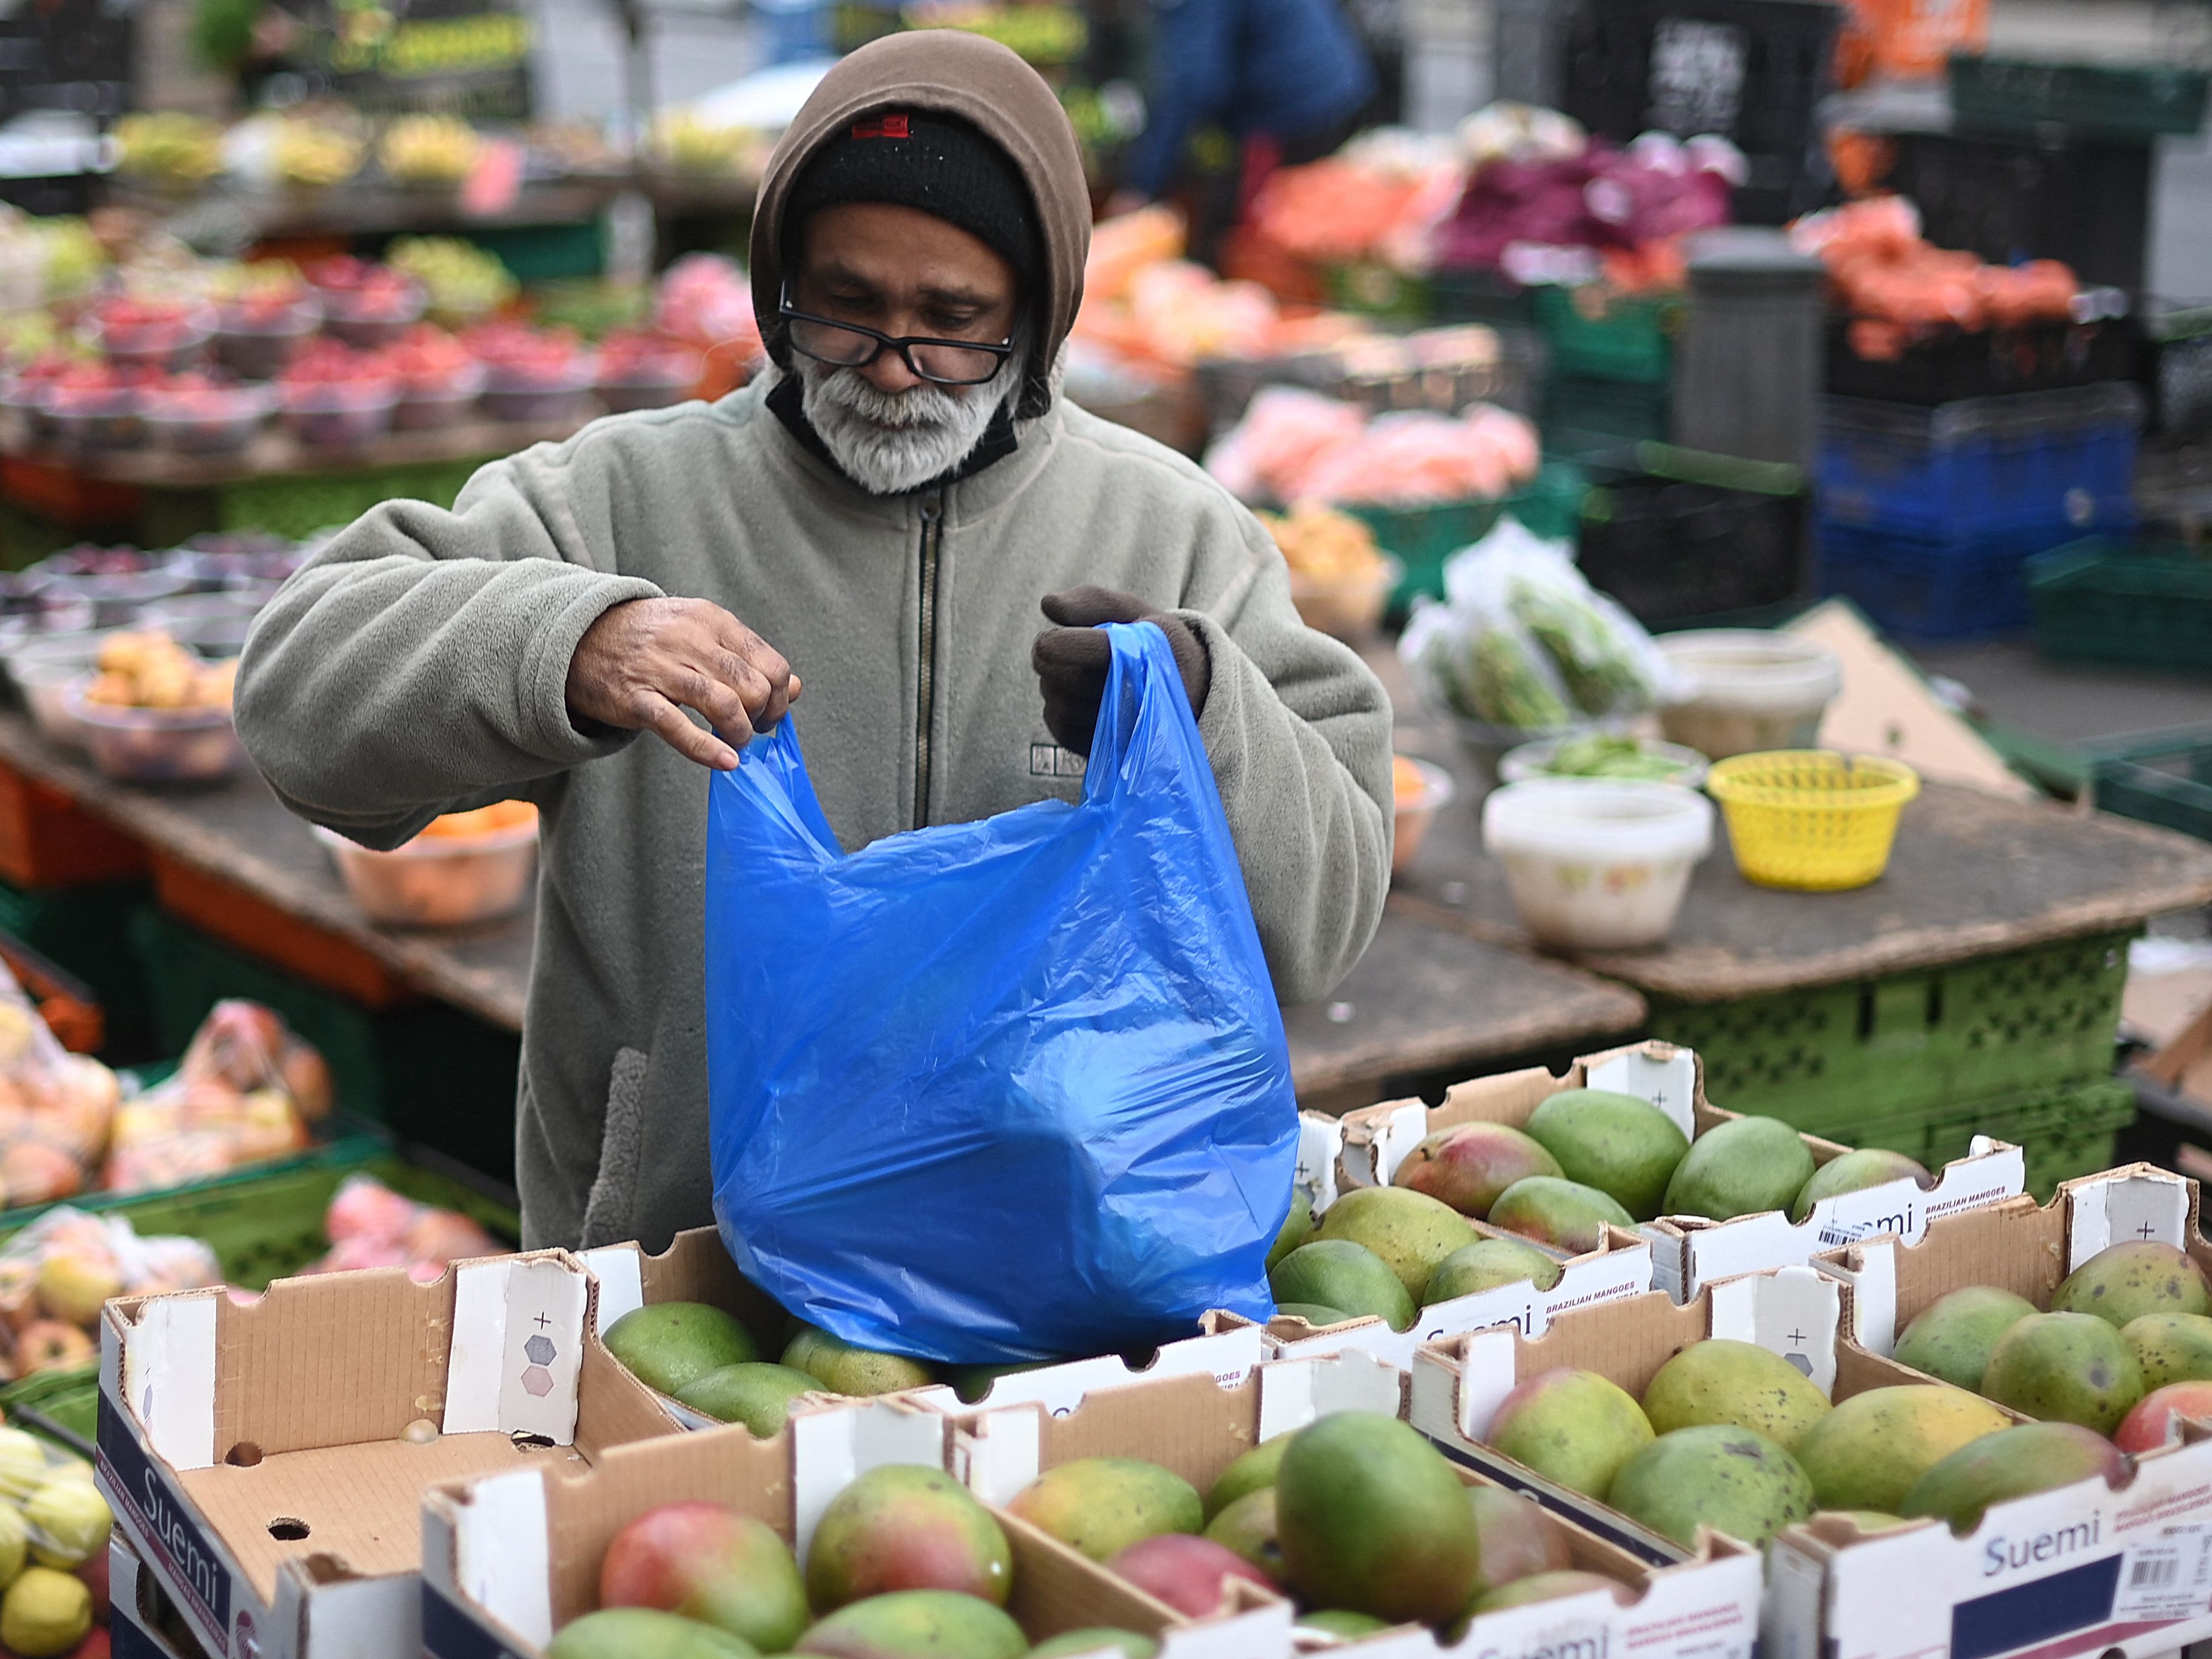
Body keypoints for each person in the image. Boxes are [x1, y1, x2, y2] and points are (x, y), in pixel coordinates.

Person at [235, 30, 1392, 1255]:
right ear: (776, 287)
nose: (892, 369)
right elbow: (296, 704)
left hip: (1054, 1279)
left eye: (953, 322)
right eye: (844, 307)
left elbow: (1320, 930)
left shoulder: (1175, 533)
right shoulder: (614, 500)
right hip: (676, 1280)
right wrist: (566, 642)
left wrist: (1196, 712)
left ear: (1038, 320)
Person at [1117, 0, 1378, 210]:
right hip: (1342, 88)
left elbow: (1194, 84)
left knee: (1259, 234)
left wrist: (1141, 186)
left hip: (1295, 115)